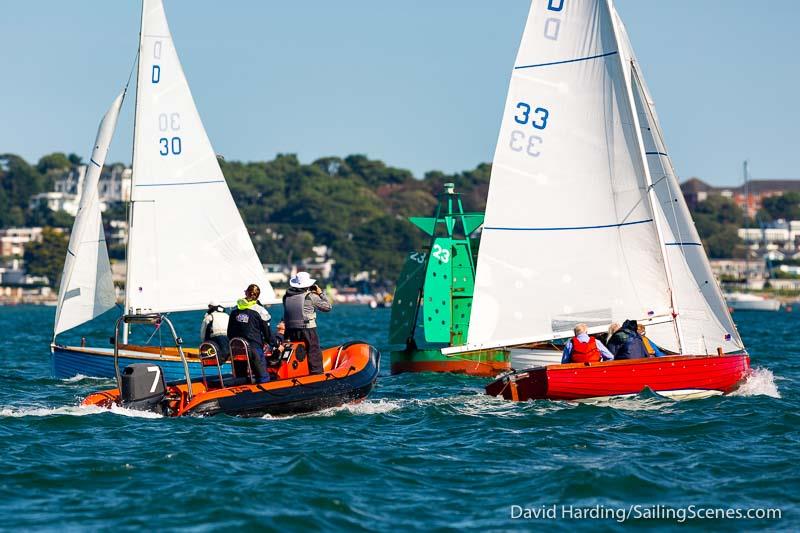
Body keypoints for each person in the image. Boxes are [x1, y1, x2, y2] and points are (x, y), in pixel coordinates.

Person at [283, 272, 332, 375]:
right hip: (307, 329)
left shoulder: (286, 297)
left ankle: (298, 373)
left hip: (290, 330)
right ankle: (316, 375)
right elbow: (328, 307)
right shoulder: (310, 297)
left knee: (298, 353)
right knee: (314, 352)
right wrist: (320, 293)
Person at [227, 284, 272, 383]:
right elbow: (267, 333)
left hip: (237, 349)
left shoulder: (235, 309)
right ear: (257, 296)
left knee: (240, 377)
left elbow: (229, 332)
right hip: (254, 348)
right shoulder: (260, 311)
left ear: (246, 293)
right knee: (263, 377)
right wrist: (273, 343)